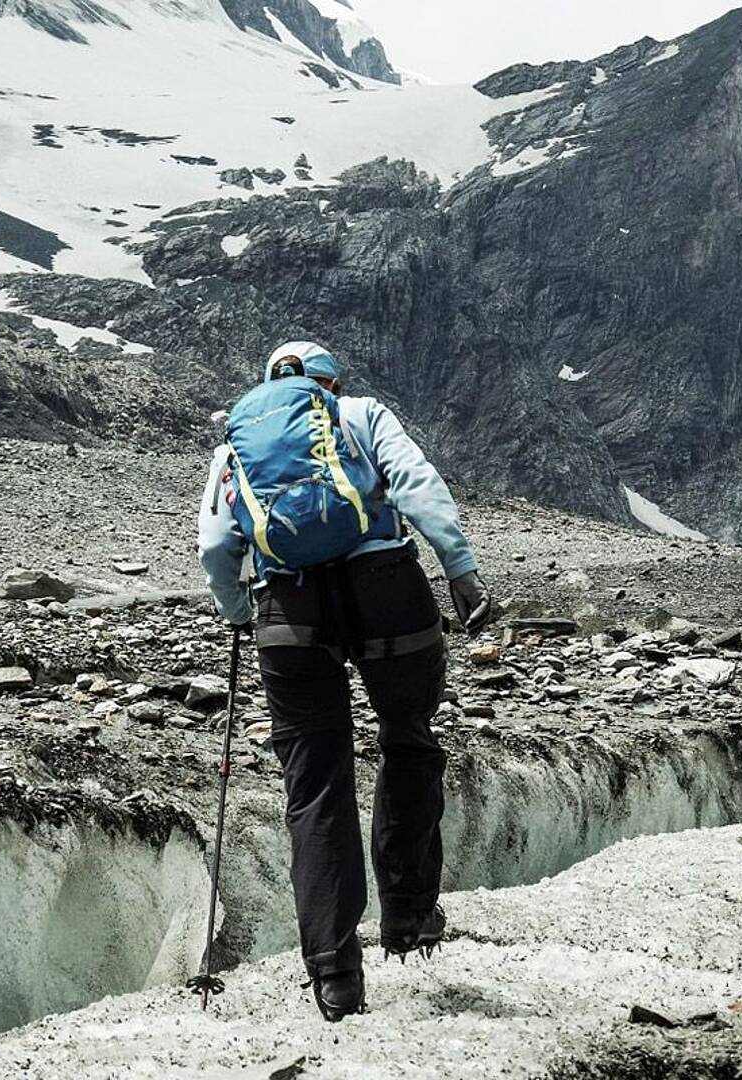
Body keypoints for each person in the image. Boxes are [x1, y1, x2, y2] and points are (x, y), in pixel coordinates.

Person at [197, 340, 494, 1022]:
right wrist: (460, 569)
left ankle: (334, 975)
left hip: (289, 606)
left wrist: (240, 612)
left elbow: (217, 546)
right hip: (386, 586)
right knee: (409, 738)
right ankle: (410, 917)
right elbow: (418, 484)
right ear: (329, 381)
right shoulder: (359, 412)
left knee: (315, 777)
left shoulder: (238, 441)